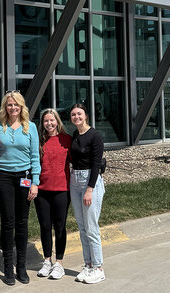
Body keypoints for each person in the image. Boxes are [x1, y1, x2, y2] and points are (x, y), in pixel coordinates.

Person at [0, 91, 40, 285]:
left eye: (16, 105)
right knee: (8, 221)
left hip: (24, 177)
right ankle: (7, 268)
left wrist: (35, 182)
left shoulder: (31, 127)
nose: (13, 108)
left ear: (22, 107)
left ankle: (21, 267)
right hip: (3, 175)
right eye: (9, 105)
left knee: (22, 221)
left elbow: (35, 157)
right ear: (5, 107)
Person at [68, 103, 106, 284]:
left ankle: (98, 267)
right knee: (82, 227)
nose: (76, 117)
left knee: (91, 228)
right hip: (74, 181)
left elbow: (96, 164)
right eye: (73, 115)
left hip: (90, 182)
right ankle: (88, 264)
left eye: (79, 114)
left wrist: (89, 189)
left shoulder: (95, 136)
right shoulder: (75, 135)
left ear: (86, 116)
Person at [34, 108, 71, 280]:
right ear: (42, 123)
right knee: (45, 226)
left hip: (62, 190)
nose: (49, 123)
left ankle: (59, 263)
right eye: (46, 121)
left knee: (60, 226)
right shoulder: (38, 141)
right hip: (42, 191)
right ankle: (47, 260)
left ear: (57, 121)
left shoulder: (67, 140)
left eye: (52, 120)